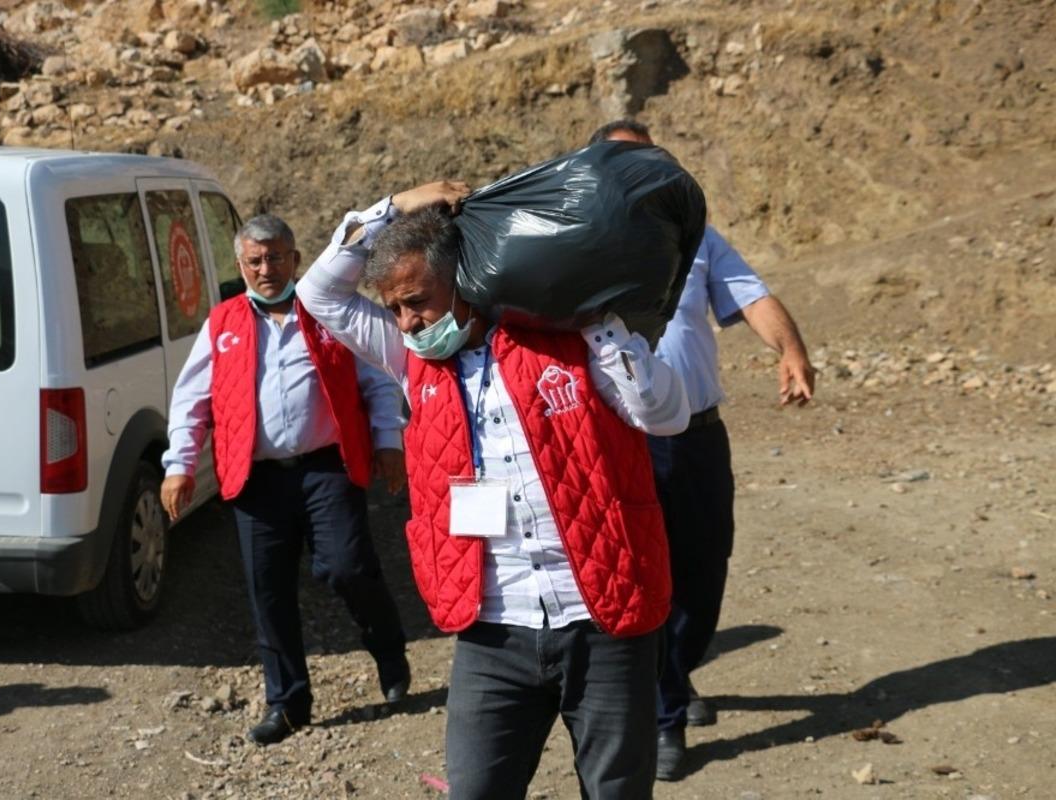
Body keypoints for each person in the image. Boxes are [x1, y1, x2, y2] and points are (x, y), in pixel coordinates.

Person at [297, 181, 691, 799]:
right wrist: (396, 205)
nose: (406, 321)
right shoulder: (411, 362)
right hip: (493, 629)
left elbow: (667, 415)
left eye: (418, 301)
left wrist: (600, 324)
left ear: (466, 282)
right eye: (395, 308)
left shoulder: (568, 340)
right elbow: (318, 291)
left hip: (604, 618)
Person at [592, 119, 817, 781]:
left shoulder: (698, 241)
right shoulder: (582, 247)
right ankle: (665, 718)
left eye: (648, 161)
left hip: (699, 434)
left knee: (706, 566)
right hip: (627, 440)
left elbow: (754, 298)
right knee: (649, 577)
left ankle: (678, 671)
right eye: (621, 163)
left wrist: (793, 352)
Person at [160, 214, 411, 746]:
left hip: (327, 466)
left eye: (276, 257)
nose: (266, 268)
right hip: (256, 479)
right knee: (267, 591)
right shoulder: (223, 322)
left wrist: (389, 440)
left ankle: (389, 651)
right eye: (255, 260)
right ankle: (288, 702)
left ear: (296, 260)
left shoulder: (326, 312)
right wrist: (180, 465)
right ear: (240, 267)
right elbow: (191, 399)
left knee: (347, 567)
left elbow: (379, 378)